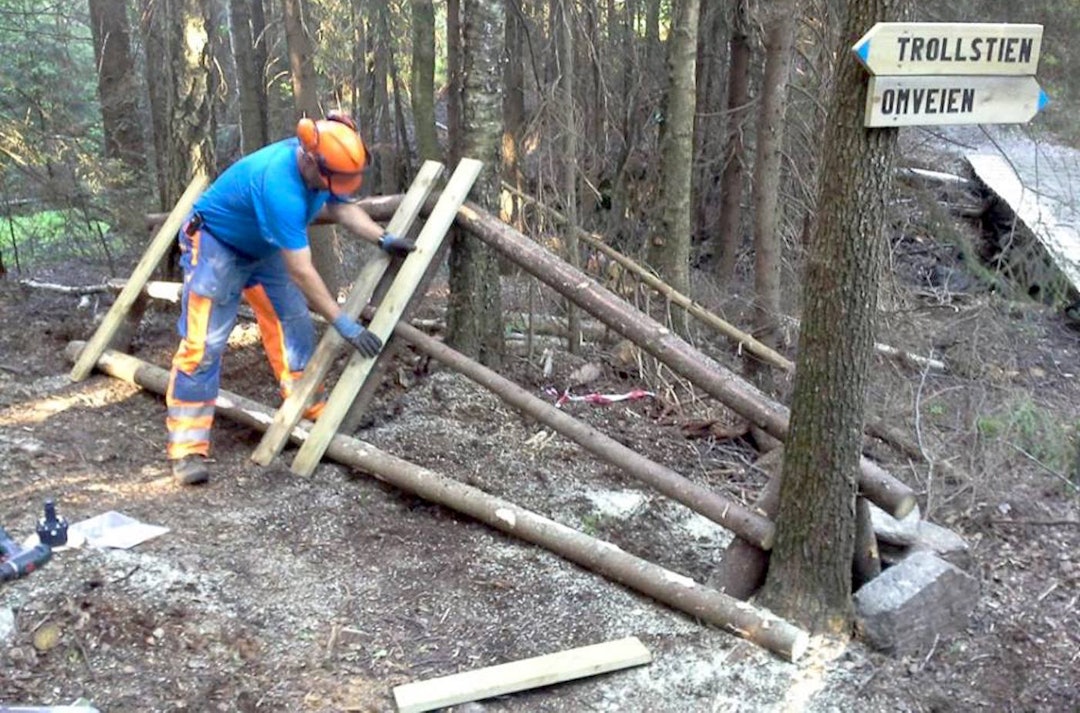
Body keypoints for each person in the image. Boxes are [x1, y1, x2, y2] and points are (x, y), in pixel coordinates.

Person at [166, 112, 415, 486]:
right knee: (204, 344)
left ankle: (306, 404)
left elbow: (341, 205)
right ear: (311, 162)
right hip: (217, 244)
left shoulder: (323, 163)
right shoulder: (280, 186)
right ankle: (187, 448)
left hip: (261, 248)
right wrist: (342, 321)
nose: (339, 186)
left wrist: (381, 237)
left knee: (292, 320)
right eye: (335, 180)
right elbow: (301, 270)